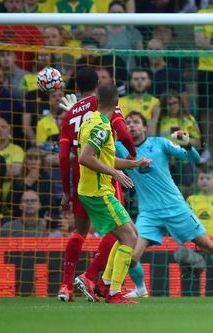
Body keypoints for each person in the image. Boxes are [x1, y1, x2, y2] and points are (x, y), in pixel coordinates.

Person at [115, 111, 213, 299]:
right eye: (127, 123)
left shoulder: (159, 143)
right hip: (149, 214)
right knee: (131, 256)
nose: (131, 125)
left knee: (208, 246)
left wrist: (186, 143)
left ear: (145, 127)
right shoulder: (119, 148)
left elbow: (194, 159)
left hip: (175, 208)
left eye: (136, 122)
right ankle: (140, 289)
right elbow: (102, 159)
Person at [57, 68, 138, 303]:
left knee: (79, 232)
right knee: (124, 230)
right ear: (98, 83)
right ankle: (96, 280)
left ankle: (65, 286)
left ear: (75, 86)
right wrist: (133, 154)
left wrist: (66, 191)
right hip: (102, 174)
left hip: (79, 178)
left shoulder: (70, 113)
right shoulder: (101, 106)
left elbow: (64, 156)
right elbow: (122, 131)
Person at [77, 83, 151, 304]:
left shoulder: (90, 120)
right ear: (117, 103)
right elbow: (86, 158)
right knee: (129, 236)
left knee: (127, 233)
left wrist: (134, 163)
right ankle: (113, 292)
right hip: (98, 191)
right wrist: (115, 174)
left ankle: (107, 284)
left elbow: (104, 158)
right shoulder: (101, 127)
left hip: (93, 189)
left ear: (96, 101)